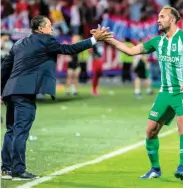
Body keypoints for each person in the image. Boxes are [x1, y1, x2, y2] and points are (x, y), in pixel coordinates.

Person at [94, 6, 183, 181]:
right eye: (158, 16)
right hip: (165, 93)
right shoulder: (157, 41)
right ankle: (155, 169)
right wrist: (109, 39)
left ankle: (182, 166)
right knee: (150, 132)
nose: (158, 20)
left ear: (172, 20)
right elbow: (131, 51)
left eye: (162, 17)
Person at [1, 15, 112, 180]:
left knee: (11, 130)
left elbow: (5, 67)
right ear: (40, 28)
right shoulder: (46, 40)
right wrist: (93, 40)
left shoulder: (19, 43)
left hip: (10, 92)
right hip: (25, 93)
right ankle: (18, 170)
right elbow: (68, 49)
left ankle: (6, 169)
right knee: (21, 131)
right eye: (49, 25)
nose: (52, 28)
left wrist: (2, 91)